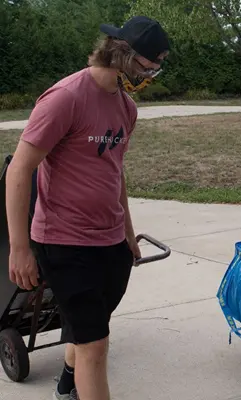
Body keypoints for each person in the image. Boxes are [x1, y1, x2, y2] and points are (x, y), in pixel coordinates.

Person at [6, 15, 170, 400]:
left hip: (110, 241)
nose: (151, 75)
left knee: (90, 330)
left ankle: (67, 384)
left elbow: (115, 173)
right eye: (148, 66)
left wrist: (128, 233)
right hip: (64, 242)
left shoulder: (125, 108)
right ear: (123, 54)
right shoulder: (66, 97)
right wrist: (19, 247)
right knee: (95, 346)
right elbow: (19, 169)